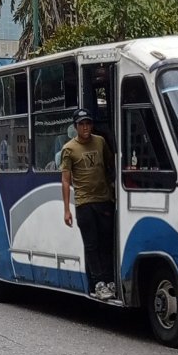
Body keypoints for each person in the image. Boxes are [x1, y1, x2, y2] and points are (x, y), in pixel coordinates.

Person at [61, 108, 116, 300]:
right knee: (91, 245)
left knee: (106, 243)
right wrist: (67, 209)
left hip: (104, 200)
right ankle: (98, 284)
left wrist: (113, 189)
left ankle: (110, 281)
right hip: (84, 203)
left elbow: (111, 165)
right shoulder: (69, 149)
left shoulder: (100, 142)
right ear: (76, 127)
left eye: (88, 123)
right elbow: (66, 180)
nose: (85, 127)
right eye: (82, 124)